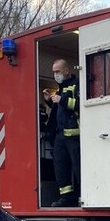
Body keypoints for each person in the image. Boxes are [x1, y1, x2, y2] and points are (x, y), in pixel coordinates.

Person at [44, 59, 80, 207]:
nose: (55, 74)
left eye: (57, 71)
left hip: (74, 135)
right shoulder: (60, 88)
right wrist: (50, 102)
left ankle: (82, 195)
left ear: (66, 71)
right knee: (60, 167)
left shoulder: (77, 84)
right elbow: (61, 110)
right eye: (53, 72)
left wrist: (62, 99)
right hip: (59, 136)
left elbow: (80, 104)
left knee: (78, 167)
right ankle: (66, 197)